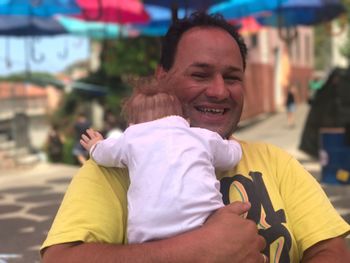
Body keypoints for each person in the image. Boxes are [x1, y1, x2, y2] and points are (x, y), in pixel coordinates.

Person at [41, 12, 350, 263]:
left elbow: (331, 249)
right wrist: (196, 252)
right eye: (199, 75)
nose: (218, 91)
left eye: (232, 77)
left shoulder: (275, 161)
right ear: (162, 77)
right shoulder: (112, 170)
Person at [80, 82, 242, 244]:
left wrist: (94, 145)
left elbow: (104, 154)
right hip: (206, 222)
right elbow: (231, 157)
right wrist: (233, 142)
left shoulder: (131, 138)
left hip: (149, 235)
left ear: (131, 124)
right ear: (185, 119)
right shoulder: (201, 136)